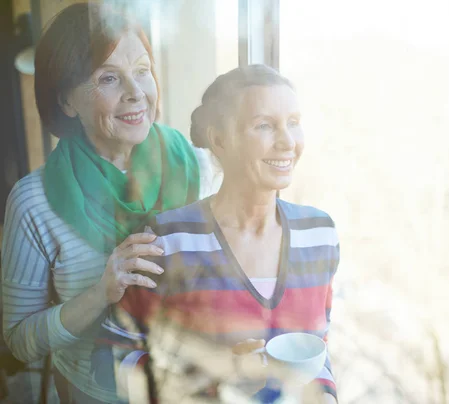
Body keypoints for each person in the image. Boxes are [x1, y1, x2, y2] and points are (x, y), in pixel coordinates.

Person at [95, 65, 339, 403]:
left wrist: (326, 396)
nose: (287, 142)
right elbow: (120, 364)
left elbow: (317, 351)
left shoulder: (319, 234)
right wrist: (218, 377)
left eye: (294, 123)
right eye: (265, 125)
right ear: (220, 139)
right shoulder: (167, 241)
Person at [1, 3, 205, 403]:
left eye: (143, 71)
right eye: (108, 78)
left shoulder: (196, 164)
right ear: (67, 102)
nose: (136, 93)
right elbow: (18, 342)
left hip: (192, 384)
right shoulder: (32, 202)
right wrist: (101, 292)